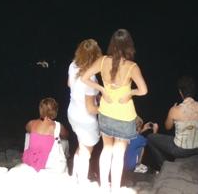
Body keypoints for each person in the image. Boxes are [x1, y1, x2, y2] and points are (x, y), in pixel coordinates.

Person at [81, 28, 148, 192]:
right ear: (129, 46)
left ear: (112, 44)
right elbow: (144, 90)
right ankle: (116, 188)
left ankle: (104, 186)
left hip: (105, 111)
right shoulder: (132, 67)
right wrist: (130, 93)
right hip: (124, 115)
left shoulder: (102, 61)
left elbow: (84, 77)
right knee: (119, 154)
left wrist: (102, 90)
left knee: (107, 149)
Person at [147, 74, 198, 170]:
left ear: (180, 92)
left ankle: (164, 167)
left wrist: (172, 111)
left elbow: (168, 127)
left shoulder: (175, 110)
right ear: (194, 91)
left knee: (150, 138)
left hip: (181, 150)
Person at [67, 38, 102, 183]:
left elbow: (69, 84)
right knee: (86, 152)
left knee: (81, 146)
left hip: (72, 113)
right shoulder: (91, 78)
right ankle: (81, 182)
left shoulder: (73, 65)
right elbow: (91, 109)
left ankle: (74, 176)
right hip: (85, 119)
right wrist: (105, 109)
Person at [22, 97, 69, 172]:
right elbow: (66, 136)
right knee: (64, 140)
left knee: (29, 134)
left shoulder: (31, 123)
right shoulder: (57, 126)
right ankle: (66, 161)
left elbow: (27, 129)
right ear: (54, 111)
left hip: (30, 158)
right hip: (47, 162)